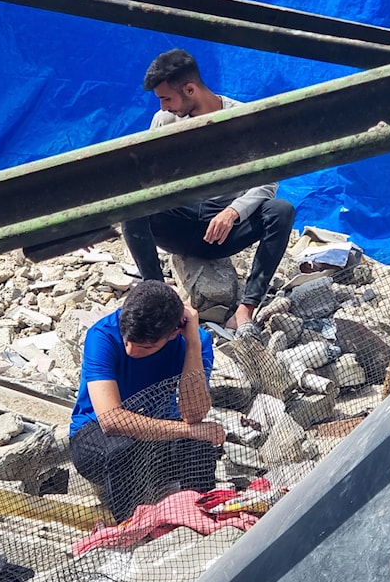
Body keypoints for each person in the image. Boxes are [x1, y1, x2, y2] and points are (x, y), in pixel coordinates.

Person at [121, 48, 296, 330]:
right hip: (177, 224)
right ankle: (157, 298)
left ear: (190, 89)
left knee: (281, 210)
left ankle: (246, 308)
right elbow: (146, 181)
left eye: (167, 98)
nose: (163, 107)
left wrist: (233, 212)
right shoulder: (163, 122)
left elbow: (267, 181)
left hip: (223, 231)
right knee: (131, 206)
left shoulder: (243, 119)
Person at [69, 280, 226, 522]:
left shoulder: (195, 341)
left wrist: (192, 341)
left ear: (174, 332)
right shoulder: (102, 335)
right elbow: (111, 420)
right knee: (122, 450)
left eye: (145, 346)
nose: (131, 350)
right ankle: (133, 527)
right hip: (95, 438)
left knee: (200, 445)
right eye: (127, 340)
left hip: (157, 438)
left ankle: (202, 515)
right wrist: (188, 430)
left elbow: (193, 415)